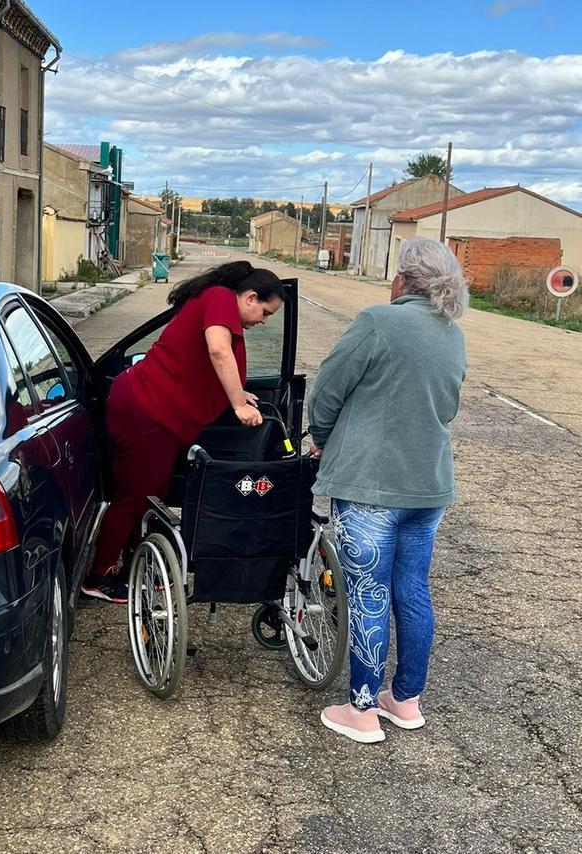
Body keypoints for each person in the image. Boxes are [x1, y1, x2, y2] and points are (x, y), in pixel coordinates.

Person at [308, 238, 468, 744]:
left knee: (367, 592)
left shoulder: (378, 321)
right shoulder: (453, 334)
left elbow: (327, 393)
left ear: (402, 280)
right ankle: (405, 699)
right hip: (429, 486)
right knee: (413, 590)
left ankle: (361, 710)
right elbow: (447, 407)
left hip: (370, 486)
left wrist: (324, 441)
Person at [82, 261, 285, 603]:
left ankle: (138, 564)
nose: (263, 321)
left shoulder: (217, 301)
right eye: (265, 312)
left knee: (150, 493)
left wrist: (239, 390)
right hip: (146, 410)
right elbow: (218, 350)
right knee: (133, 497)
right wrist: (237, 403)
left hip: (158, 413)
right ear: (250, 297)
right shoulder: (220, 298)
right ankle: (98, 576)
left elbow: (212, 363)